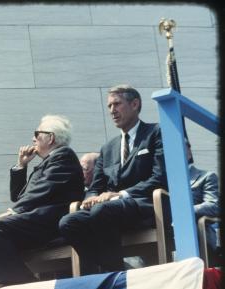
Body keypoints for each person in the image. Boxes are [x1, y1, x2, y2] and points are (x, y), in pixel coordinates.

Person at [59, 85, 167, 275]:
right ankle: (98, 272)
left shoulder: (156, 133)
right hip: (109, 211)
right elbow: (95, 187)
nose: (112, 111)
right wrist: (89, 198)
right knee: (69, 222)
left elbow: (159, 178)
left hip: (143, 204)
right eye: (109, 106)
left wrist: (121, 194)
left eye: (117, 104)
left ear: (135, 104)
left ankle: (114, 274)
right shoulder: (108, 148)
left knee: (102, 210)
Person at [0, 114, 84, 286]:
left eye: (37, 134)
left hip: (52, 221)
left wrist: (12, 212)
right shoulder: (48, 160)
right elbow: (19, 196)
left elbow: (43, 190)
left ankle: (23, 284)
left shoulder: (63, 155)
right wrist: (21, 166)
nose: (32, 139)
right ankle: (19, 282)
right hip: (37, 220)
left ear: (51, 138)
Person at [187, 143, 219, 255]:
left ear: (189, 153)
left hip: (197, 233)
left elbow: (214, 206)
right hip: (164, 233)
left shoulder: (207, 176)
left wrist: (185, 212)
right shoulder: (160, 181)